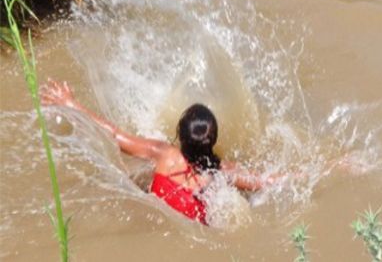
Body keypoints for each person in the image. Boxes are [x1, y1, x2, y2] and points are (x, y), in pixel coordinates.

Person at [40, 79, 281, 225]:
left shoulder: (165, 154)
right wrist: (304, 174)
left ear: (179, 133)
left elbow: (113, 134)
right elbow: (265, 182)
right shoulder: (223, 172)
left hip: (150, 217)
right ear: (214, 140)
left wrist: (71, 104)